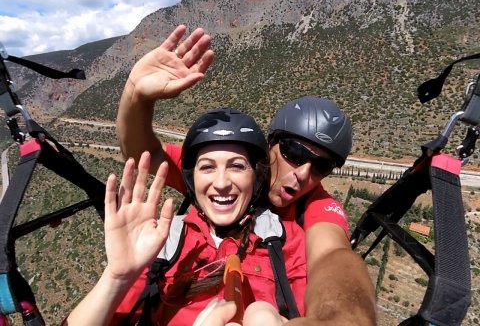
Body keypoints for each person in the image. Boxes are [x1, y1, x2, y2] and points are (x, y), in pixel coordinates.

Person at [116, 24, 376, 325]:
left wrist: (342, 318)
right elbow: (143, 155)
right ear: (271, 146)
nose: (304, 173)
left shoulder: (314, 204)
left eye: (321, 166)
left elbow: (333, 256)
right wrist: (136, 94)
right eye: (295, 153)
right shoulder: (230, 172)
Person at [66, 108, 306, 325]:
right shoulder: (164, 241)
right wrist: (116, 276)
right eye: (207, 167)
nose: (221, 183)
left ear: (255, 177)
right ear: (193, 180)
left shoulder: (285, 240)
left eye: (236, 166)